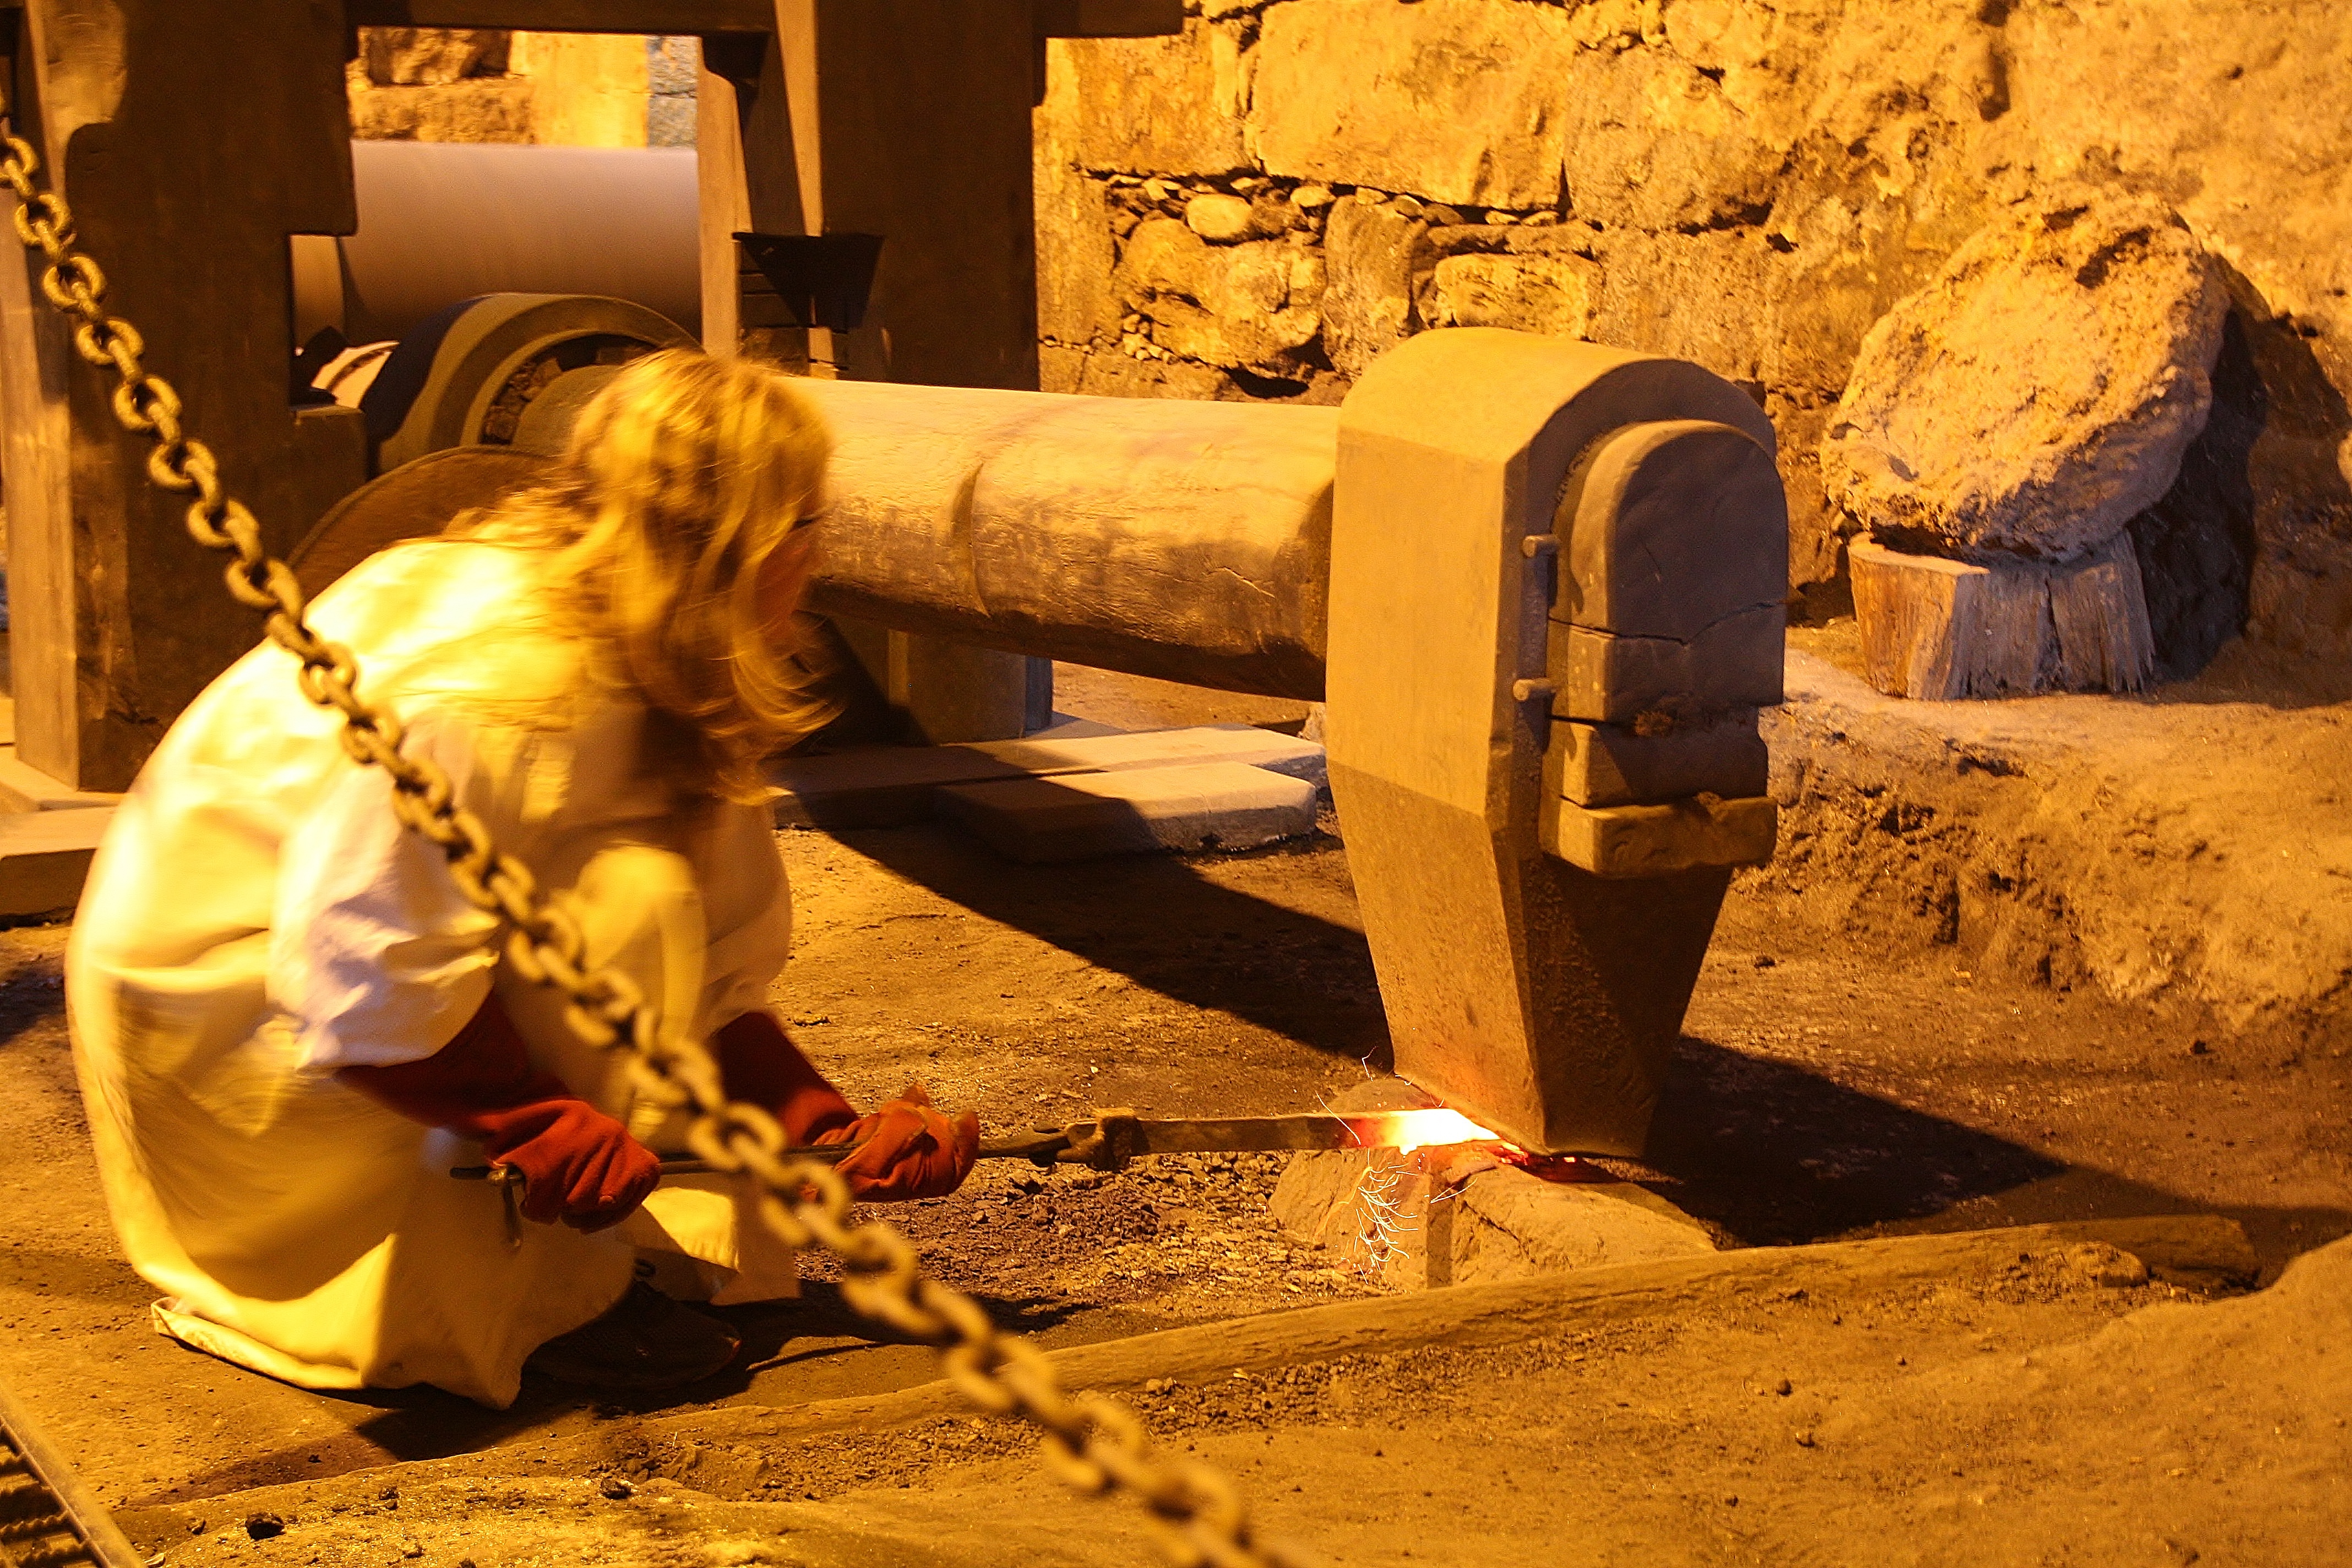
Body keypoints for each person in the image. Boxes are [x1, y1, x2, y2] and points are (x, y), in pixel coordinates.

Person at [66, 350, 978, 1408]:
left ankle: (570, 1253)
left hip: (332, 986)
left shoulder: (649, 633)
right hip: (229, 1020)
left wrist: (815, 1121)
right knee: (624, 895)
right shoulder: (499, 689)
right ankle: (516, 1302)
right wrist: (533, 1122)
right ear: (740, 545)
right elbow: (361, 969)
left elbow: (713, 960)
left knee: (643, 888)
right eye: (808, 529)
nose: (815, 564)